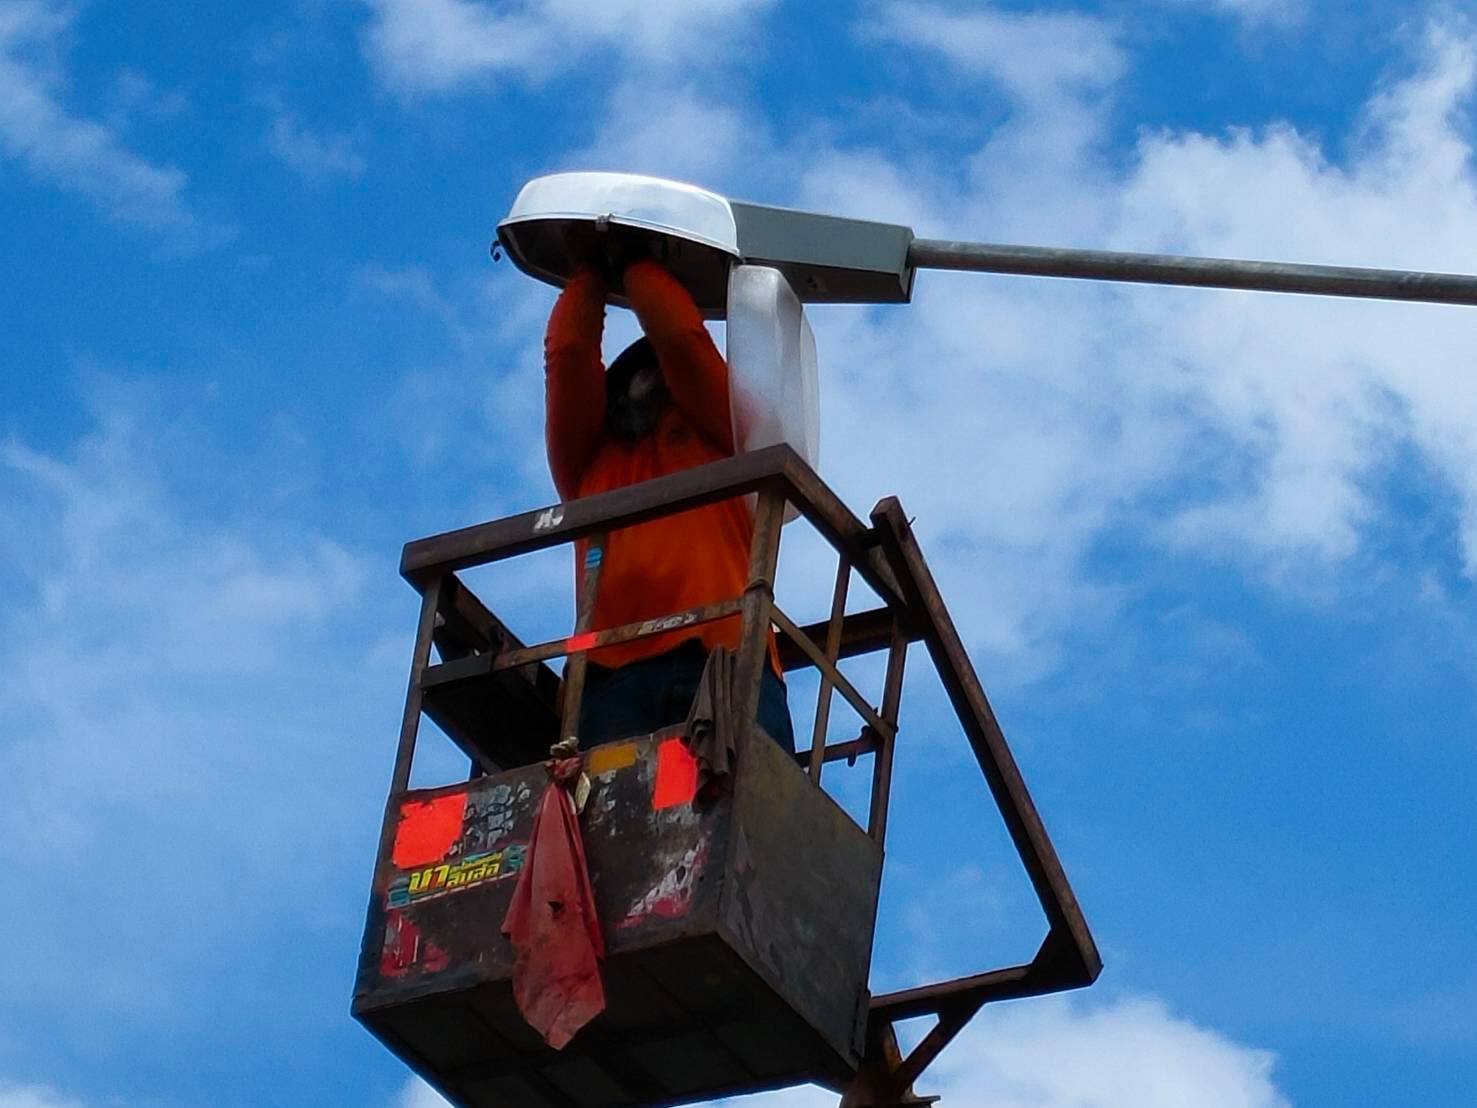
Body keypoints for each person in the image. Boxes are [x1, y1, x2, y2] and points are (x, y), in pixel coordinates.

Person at [543, 253, 794, 752]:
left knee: (745, 804)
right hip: (611, 680)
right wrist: (591, 265)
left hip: (727, 658)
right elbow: (569, 350)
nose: (649, 378)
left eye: (658, 366)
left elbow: (681, 337)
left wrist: (635, 261)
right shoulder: (589, 459)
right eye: (638, 371)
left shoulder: (725, 434)